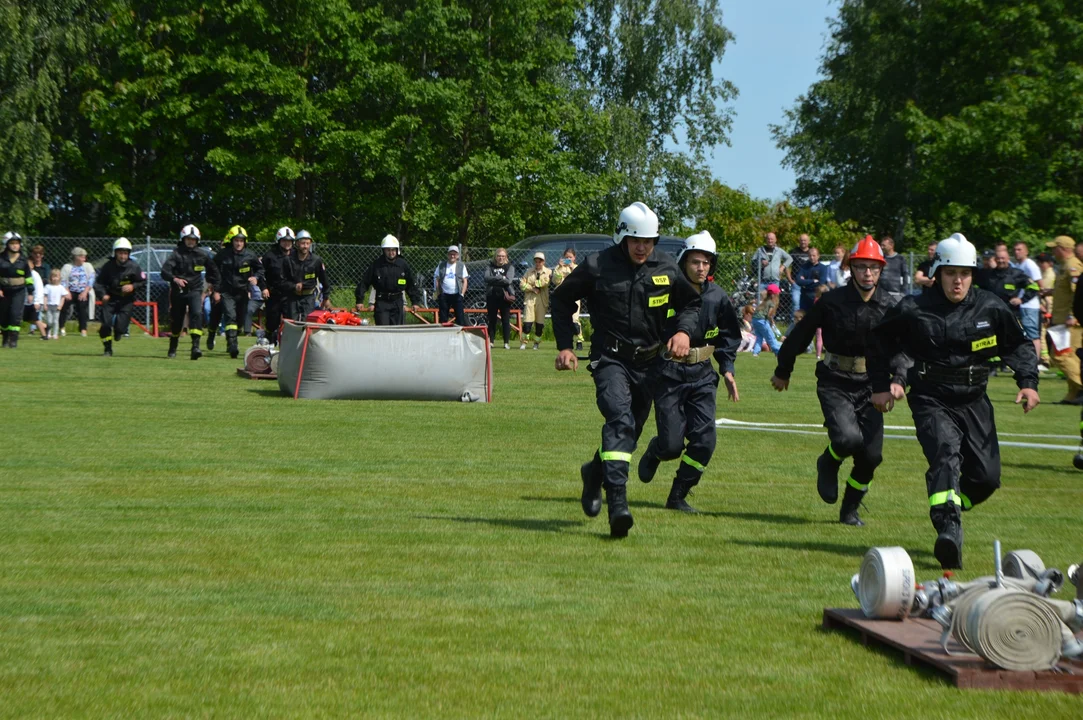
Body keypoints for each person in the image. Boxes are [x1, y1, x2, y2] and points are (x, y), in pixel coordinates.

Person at [869, 233, 1040, 569]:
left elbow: (1017, 345)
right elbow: (879, 344)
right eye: (950, 273)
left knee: (987, 478)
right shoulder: (913, 308)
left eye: (965, 273)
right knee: (945, 454)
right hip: (931, 397)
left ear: (973, 274)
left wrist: (1028, 383)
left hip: (975, 399)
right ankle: (948, 527)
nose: (957, 280)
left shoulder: (990, 306)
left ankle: (952, 507)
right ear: (937, 273)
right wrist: (880, 385)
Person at [551, 201, 701, 538]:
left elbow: (690, 304)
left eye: (649, 241)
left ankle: (594, 472)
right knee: (618, 421)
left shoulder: (667, 267)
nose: (642, 247)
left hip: (651, 365)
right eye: (636, 240)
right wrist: (564, 346)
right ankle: (618, 505)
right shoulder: (596, 266)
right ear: (622, 236)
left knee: (628, 434)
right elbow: (562, 300)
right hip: (610, 360)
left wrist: (682, 331)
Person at [770, 235, 896, 527]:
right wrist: (783, 370)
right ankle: (828, 461)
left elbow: (903, 348)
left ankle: (849, 511)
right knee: (848, 439)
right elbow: (801, 334)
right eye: (862, 267)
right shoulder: (831, 301)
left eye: (873, 268)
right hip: (835, 379)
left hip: (873, 385)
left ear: (880, 270)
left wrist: (898, 379)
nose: (867, 273)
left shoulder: (890, 306)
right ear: (852, 267)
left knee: (872, 456)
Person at [637, 231, 742, 513]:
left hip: (703, 377)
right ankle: (656, 449)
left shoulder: (719, 298)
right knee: (672, 446)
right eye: (695, 261)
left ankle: (678, 494)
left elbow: (729, 338)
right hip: (668, 375)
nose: (701, 267)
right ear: (684, 262)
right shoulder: (666, 293)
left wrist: (728, 370)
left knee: (705, 441)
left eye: (707, 262)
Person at [161, 224, 221, 360]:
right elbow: (164, 272)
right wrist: (175, 279)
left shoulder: (202, 254)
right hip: (178, 292)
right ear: (183, 239)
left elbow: (215, 272)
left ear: (197, 240)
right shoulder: (176, 254)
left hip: (195, 290)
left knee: (197, 314)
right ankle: (173, 346)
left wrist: (215, 288)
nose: (190, 241)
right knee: (177, 320)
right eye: (188, 239)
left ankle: (195, 347)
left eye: (193, 239)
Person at [211, 225, 265, 358]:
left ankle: (230, 342)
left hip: (242, 292)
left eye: (241, 240)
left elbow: (260, 269)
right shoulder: (223, 255)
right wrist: (216, 289)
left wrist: (256, 277)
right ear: (232, 241)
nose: (239, 243)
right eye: (236, 240)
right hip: (226, 291)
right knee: (230, 316)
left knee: (240, 321)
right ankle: (233, 345)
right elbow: (213, 271)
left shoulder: (250, 255)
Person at [1045, 235, 1083, 403]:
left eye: (1055, 247)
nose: (1053, 251)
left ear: (1064, 249)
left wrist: (1073, 317)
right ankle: (1073, 395)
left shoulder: (1073, 266)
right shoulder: (1063, 267)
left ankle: (1081, 386)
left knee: (1062, 356)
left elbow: (1078, 294)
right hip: (1060, 319)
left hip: (1070, 322)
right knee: (1068, 358)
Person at [93, 238, 146, 356]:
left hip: (126, 300)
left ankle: (118, 332)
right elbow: (98, 283)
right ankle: (107, 349)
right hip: (110, 298)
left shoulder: (134, 266)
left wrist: (133, 286)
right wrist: (103, 295)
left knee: (121, 328)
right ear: (115, 253)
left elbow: (143, 282)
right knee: (105, 325)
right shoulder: (108, 266)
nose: (123, 256)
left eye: (125, 253)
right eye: (120, 253)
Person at [356, 234, 421, 326]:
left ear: (397, 250)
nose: (391, 253)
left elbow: (411, 284)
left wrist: (415, 302)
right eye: (388, 250)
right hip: (382, 302)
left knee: (398, 332)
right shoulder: (376, 265)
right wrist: (359, 300)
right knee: (383, 330)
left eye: (393, 250)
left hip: (398, 302)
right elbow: (364, 283)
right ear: (384, 251)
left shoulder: (403, 265)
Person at [1010, 241, 1045, 368]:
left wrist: (1039, 302)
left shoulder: (1030, 265)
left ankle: (1035, 362)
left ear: (1026, 251)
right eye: (1015, 249)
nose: (1016, 252)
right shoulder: (1018, 265)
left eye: (1019, 249)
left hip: (1029, 305)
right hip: (1022, 305)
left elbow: (1040, 286)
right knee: (1023, 334)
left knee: (1032, 334)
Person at [261, 227, 296, 345]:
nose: (287, 243)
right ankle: (269, 341)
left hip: (291, 294)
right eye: (284, 241)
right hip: (274, 293)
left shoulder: (296, 255)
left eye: (289, 241)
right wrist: (264, 288)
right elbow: (261, 274)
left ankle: (288, 345)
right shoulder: (270, 256)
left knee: (291, 321)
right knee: (272, 321)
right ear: (279, 241)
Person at [289, 230, 332, 319]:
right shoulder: (289, 259)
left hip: (308, 297)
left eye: (308, 243)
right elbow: (283, 279)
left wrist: (326, 298)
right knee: (292, 322)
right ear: (297, 243)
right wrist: (293, 286)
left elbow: (324, 281)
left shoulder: (316, 260)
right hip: (292, 296)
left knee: (308, 322)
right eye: (303, 243)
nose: (305, 246)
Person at [0, 232, 32, 348]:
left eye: (17, 243)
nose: (15, 246)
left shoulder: (23, 260)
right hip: (4, 291)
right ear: (6, 244)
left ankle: (13, 340)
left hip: (19, 291)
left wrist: (31, 292)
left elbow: (28, 277)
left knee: (15, 314)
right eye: (12, 243)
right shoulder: (1, 259)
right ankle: (5, 338)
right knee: (4, 316)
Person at [551, 248, 585, 350]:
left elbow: (581, 279)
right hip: (561, 296)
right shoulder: (558, 267)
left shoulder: (577, 267)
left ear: (574, 258)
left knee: (575, 320)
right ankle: (567, 342)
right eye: (566, 257)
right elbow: (555, 281)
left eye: (570, 257)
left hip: (574, 296)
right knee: (564, 320)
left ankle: (579, 341)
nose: (568, 259)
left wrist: (571, 269)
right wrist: (559, 268)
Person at [483, 247, 516, 349]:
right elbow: (486, 278)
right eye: (498, 256)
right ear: (495, 257)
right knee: (492, 319)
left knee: (505, 320)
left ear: (506, 257)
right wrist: (501, 277)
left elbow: (508, 281)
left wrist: (495, 279)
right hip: (491, 295)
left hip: (505, 297)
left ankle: (506, 342)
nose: (500, 258)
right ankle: (491, 341)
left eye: (502, 256)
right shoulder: (490, 266)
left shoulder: (509, 267)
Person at [519, 252, 552, 350]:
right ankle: (524, 342)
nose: (538, 263)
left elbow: (544, 282)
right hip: (530, 299)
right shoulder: (529, 271)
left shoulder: (548, 271)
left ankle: (536, 343)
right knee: (527, 323)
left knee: (539, 324)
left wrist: (533, 283)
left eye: (540, 261)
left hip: (542, 300)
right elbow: (521, 284)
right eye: (536, 261)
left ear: (544, 261)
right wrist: (532, 288)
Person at [59, 247, 95, 336]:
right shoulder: (67, 267)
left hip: (83, 291)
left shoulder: (88, 266)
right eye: (82, 256)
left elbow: (91, 279)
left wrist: (85, 292)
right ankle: (61, 327)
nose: (84, 258)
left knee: (82, 309)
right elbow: (63, 280)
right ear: (76, 257)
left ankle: (83, 329)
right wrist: (67, 292)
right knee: (63, 307)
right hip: (69, 291)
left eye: (84, 256)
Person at [433, 245, 468, 325]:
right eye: (450, 254)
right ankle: (444, 334)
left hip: (457, 294)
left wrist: (462, 294)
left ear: (458, 255)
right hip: (444, 294)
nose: (452, 256)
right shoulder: (441, 265)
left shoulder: (461, 265)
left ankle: (459, 333)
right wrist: (439, 293)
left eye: (454, 254)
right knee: (443, 317)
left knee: (459, 317)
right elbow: (437, 279)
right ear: (448, 255)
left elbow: (465, 281)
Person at [750, 284, 782, 357]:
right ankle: (777, 352)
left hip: (755, 320)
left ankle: (755, 352)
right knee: (771, 337)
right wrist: (771, 321)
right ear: (773, 295)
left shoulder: (764, 301)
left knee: (759, 337)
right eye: (777, 293)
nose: (778, 294)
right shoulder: (771, 303)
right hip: (762, 321)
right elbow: (769, 314)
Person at [789, 234, 813, 319]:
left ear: (809, 241)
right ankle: (794, 322)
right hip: (796, 283)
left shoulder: (812, 252)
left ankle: (809, 321)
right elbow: (787, 266)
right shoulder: (793, 252)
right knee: (796, 302)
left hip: (810, 283)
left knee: (810, 302)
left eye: (805, 240)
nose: (803, 242)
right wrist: (790, 279)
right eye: (801, 240)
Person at [878, 236, 908, 305]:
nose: (881, 247)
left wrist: (903, 293)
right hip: (882, 294)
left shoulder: (900, 258)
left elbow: (906, 275)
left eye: (884, 245)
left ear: (891, 245)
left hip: (896, 294)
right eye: (881, 245)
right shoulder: (881, 258)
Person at [794, 246, 826, 312]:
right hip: (804, 295)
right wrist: (812, 281)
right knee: (803, 316)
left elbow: (821, 283)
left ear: (818, 256)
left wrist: (805, 282)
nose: (812, 257)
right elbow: (798, 281)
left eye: (814, 255)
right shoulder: (804, 267)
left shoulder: (823, 268)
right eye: (810, 255)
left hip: (816, 295)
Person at [43, 269, 70, 340]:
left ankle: (55, 334)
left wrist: (60, 305)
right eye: (53, 277)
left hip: (57, 306)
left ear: (59, 277)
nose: (55, 278)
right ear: (50, 277)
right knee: (49, 321)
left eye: (56, 276)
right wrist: (45, 305)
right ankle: (48, 333)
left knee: (55, 321)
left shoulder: (61, 287)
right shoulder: (47, 286)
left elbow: (63, 297)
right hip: (49, 306)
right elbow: (45, 296)